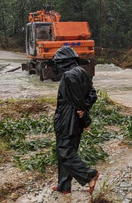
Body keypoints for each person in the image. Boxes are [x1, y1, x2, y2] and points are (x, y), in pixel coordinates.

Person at [51, 46, 100, 196]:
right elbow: (92, 96)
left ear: (63, 61)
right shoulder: (83, 72)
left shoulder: (69, 76)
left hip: (67, 120)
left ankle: (89, 175)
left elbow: (76, 101)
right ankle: (64, 186)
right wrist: (84, 113)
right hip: (74, 121)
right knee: (68, 151)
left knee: (64, 153)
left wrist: (85, 118)